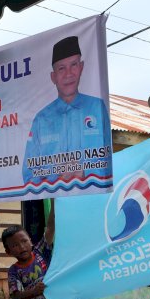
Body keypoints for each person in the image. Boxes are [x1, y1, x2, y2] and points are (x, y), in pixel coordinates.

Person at [22, 36, 110, 186]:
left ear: (81, 67)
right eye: (61, 68)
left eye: (74, 65)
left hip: (94, 201)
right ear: (53, 77)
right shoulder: (41, 119)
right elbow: (28, 174)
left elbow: (110, 161)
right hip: (56, 204)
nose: (69, 74)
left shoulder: (97, 107)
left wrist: (85, 174)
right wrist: (55, 181)